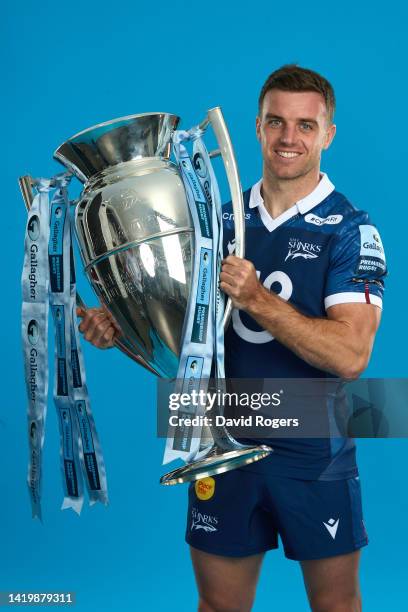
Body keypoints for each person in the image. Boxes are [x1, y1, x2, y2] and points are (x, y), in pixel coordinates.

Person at [78, 65, 387, 611]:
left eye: (305, 126)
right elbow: (187, 346)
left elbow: (351, 357)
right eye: (276, 122)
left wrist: (257, 298)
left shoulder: (350, 229)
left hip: (312, 450)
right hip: (218, 439)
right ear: (258, 127)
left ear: (328, 134)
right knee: (219, 606)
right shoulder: (212, 221)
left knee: (335, 605)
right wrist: (124, 333)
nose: (289, 138)